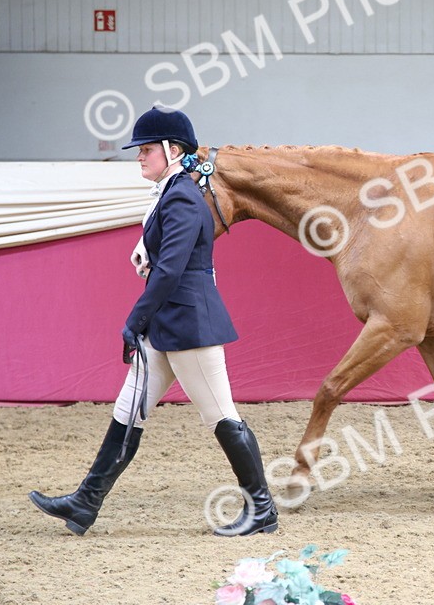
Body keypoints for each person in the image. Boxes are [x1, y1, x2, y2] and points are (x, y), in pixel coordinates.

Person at [29, 106, 278, 537]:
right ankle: (86, 501)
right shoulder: (170, 192)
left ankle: (262, 510)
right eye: (140, 151)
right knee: (129, 411)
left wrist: (134, 318)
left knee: (222, 416)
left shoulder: (182, 196)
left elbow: (171, 270)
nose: (139, 157)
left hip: (188, 326)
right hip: (167, 323)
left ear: (172, 150)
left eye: (146, 150)